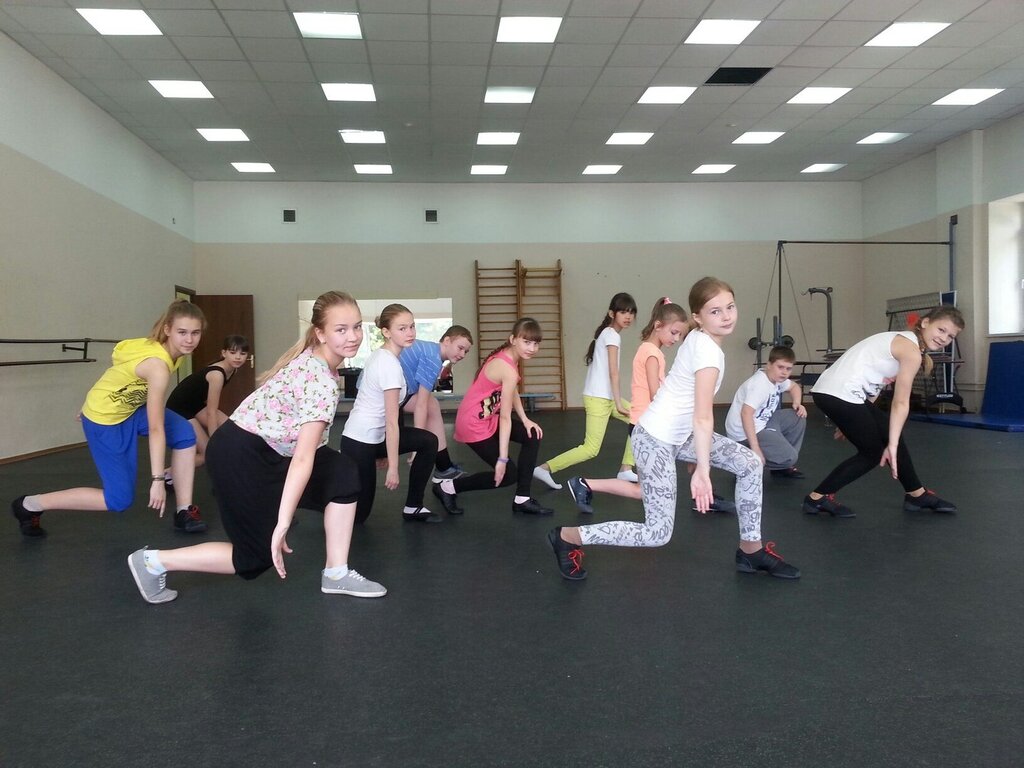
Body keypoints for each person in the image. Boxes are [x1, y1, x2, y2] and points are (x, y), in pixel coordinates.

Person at [127, 291, 386, 604]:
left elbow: (305, 451)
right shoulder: (321, 381)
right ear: (320, 333)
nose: (353, 336)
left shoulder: (317, 359)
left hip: (270, 448)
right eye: (341, 329)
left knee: (342, 471)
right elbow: (303, 458)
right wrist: (283, 521)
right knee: (255, 557)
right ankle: (153, 562)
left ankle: (336, 573)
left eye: (356, 327)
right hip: (240, 456)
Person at [547, 277, 801, 582]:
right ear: (698, 317)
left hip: (679, 434)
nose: (726, 316)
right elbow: (703, 417)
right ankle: (568, 537)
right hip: (654, 439)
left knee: (749, 463)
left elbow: (696, 413)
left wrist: (699, 459)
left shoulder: (698, 337)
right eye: (715, 311)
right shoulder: (707, 353)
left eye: (730, 307)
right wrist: (703, 469)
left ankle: (751, 550)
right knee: (657, 533)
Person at [11, 300, 208, 538]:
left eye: (195, 333)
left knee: (185, 433)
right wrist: (157, 480)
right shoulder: (158, 365)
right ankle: (30, 504)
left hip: (130, 410)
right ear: (167, 329)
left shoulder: (169, 350)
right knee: (118, 500)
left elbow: (118, 373)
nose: (189, 340)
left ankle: (184, 511)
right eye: (182, 332)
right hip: (106, 421)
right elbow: (157, 428)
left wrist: (93, 399)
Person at [802, 306, 965, 518]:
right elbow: (900, 403)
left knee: (889, 432)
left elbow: (874, 384)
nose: (944, 338)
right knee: (874, 453)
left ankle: (916, 494)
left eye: (950, 336)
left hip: (837, 393)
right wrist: (891, 446)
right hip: (840, 394)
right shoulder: (910, 351)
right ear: (925, 323)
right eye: (941, 330)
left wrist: (853, 420)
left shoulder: (905, 341)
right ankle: (817, 498)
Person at [431, 318, 552, 517]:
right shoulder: (507, 367)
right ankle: (448, 487)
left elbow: (511, 390)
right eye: (527, 342)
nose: (532, 348)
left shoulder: (509, 358)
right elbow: (504, 418)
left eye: (535, 343)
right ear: (513, 339)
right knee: (508, 475)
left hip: (485, 417)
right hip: (473, 423)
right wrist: (502, 458)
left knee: (531, 434)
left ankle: (522, 499)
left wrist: (525, 419)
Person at [340, 304, 439, 524]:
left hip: (376, 437)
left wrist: (385, 451)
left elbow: (395, 410)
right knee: (359, 515)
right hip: (360, 441)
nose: (410, 333)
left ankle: (413, 506)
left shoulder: (386, 356)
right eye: (402, 328)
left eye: (412, 326)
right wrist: (393, 468)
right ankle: (296, 498)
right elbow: (392, 422)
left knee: (428, 441)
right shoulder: (388, 364)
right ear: (386, 332)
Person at [534, 292, 638, 491]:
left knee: (639, 421)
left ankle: (626, 468)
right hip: (599, 399)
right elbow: (613, 373)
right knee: (590, 449)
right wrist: (618, 402)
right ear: (612, 313)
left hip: (605, 397)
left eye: (631, 312)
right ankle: (544, 468)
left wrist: (615, 400)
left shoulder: (607, 334)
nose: (628, 316)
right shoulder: (612, 335)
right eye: (623, 312)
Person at [164, 334, 250, 474]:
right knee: (207, 454)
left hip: (195, 404)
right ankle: (166, 474)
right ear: (224, 353)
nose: (238, 357)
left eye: (243, 353)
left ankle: (242, 466)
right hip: (179, 409)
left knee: (234, 429)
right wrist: (214, 440)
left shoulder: (232, 369)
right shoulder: (217, 375)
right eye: (233, 352)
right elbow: (211, 411)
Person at [398, 325, 474, 480]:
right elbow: (421, 405)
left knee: (432, 404)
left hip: (394, 391)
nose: (462, 354)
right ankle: (444, 467)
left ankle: (444, 466)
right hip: (381, 395)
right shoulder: (433, 359)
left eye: (466, 351)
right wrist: (416, 448)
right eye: (460, 348)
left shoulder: (430, 350)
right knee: (429, 404)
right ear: (447, 340)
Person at [725, 345, 807, 479]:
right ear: (769, 365)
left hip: (763, 420)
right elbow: (746, 414)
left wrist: (797, 403)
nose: (784, 372)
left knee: (797, 416)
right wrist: (756, 448)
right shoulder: (760, 385)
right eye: (780, 367)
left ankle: (781, 467)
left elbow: (794, 386)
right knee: (789, 457)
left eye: (788, 369)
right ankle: (745, 463)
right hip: (744, 432)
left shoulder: (776, 378)